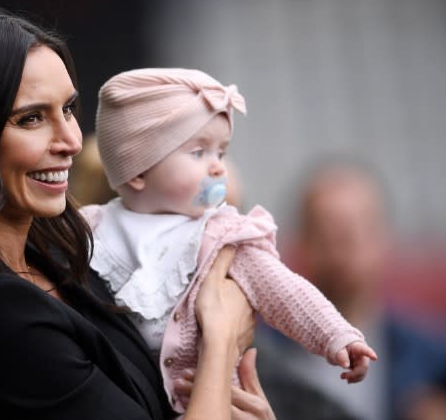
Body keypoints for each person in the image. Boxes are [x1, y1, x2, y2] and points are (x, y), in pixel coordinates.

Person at [0, 9, 276, 420]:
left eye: (69, 110)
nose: (71, 140)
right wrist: (220, 340)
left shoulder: (60, 261)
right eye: (32, 118)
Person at [80, 68, 377, 414]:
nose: (218, 167)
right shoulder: (92, 227)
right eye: (198, 153)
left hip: (211, 399)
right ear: (138, 171)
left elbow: (286, 292)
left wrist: (337, 336)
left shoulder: (225, 234)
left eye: (220, 153)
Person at [257, 160, 446, 420]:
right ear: (301, 243)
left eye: (358, 230)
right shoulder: (256, 355)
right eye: (326, 232)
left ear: (386, 237)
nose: (343, 248)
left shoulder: (432, 360)